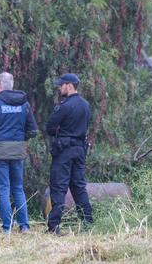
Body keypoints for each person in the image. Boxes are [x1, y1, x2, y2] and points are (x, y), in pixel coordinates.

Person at [0, 72, 39, 233]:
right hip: (18, 151)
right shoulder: (24, 104)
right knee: (18, 188)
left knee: (3, 189)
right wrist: (20, 139)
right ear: (11, 85)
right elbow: (33, 130)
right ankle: (24, 226)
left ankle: (7, 228)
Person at [45, 73, 93, 235]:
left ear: (70, 86)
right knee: (79, 186)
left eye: (61, 85)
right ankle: (87, 223)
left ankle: (54, 226)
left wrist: (60, 131)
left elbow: (50, 128)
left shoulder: (64, 106)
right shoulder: (86, 105)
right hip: (80, 150)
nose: (59, 88)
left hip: (64, 151)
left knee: (59, 187)